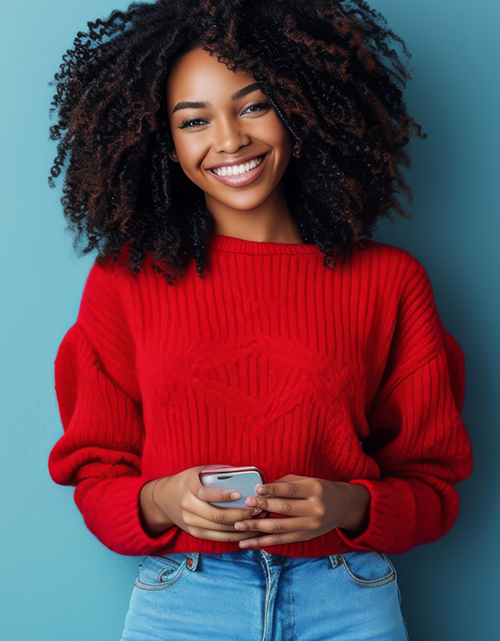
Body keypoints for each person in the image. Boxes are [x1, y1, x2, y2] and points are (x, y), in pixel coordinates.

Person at [48, 1, 473, 639]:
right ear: (163, 142)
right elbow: (95, 474)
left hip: (347, 597)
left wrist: (349, 502)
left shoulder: (389, 282)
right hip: (184, 600)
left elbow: (433, 487)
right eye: (194, 120)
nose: (229, 139)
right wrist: (164, 499)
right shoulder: (124, 282)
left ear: (302, 110)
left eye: (253, 105)